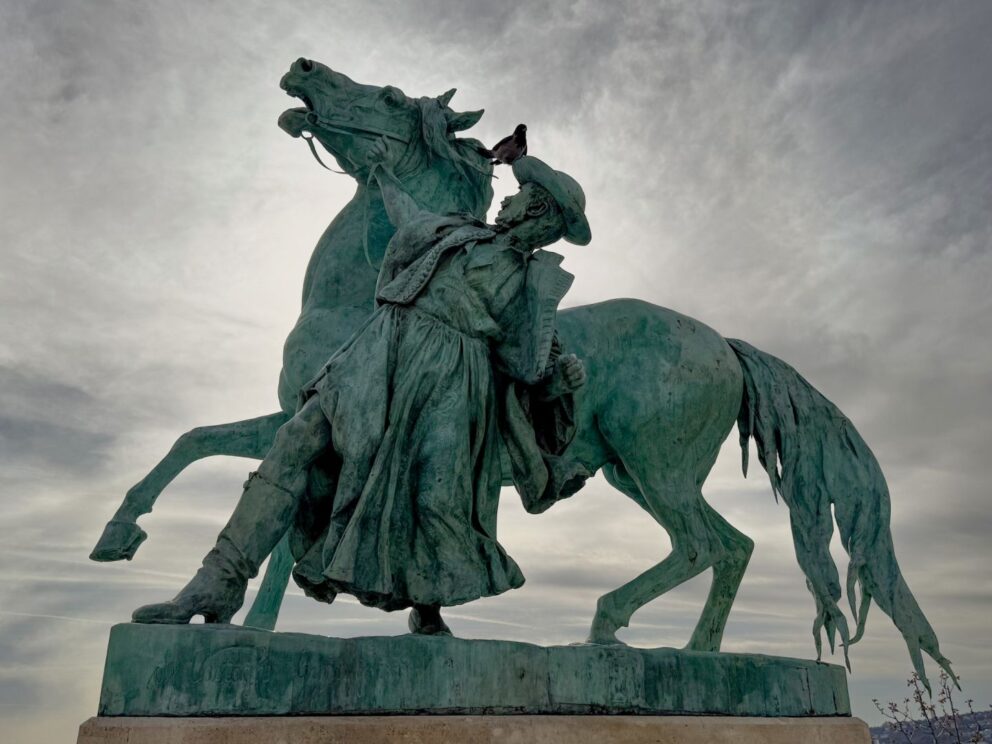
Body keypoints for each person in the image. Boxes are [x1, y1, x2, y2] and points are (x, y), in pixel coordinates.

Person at [132, 148, 592, 634]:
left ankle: (428, 610)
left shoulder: (537, 284)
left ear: (539, 209)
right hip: (379, 351)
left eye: (520, 195)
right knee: (295, 441)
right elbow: (408, 218)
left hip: (449, 381)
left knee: (434, 501)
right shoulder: (457, 230)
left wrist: (555, 385)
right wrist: (382, 174)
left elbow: (529, 365)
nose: (507, 200)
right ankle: (219, 582)